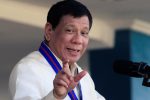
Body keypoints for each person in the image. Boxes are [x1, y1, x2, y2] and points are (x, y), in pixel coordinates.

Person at [9, 0, 105, 100]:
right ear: (49, 31)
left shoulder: (84, 78)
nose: (78, 40)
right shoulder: (28, 68)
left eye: (84, 33)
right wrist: (56, 96)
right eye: (69, 30)